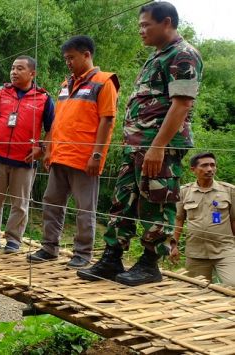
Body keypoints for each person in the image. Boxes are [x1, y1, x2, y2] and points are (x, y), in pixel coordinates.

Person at [78, 1, 203, 286]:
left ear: (167, 22)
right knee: (123, 201)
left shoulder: (183, 55)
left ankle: (149, 263)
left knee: (156, 203)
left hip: (159, 147)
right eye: (140, 26)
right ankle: (112, 257)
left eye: (146, 25)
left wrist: (158, 146)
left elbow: (182, 104)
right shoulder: (157, 55)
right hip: (135, 146)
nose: (141, 31)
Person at [28, 35, 120, 267]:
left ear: (87, 55)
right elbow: (58, 121)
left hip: (84, 158)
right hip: (59, 155)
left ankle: (82, 254)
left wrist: (97, 155)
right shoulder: (65, 84)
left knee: (84, 208)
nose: (68, 62)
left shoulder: (104, 82)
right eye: (66, 58)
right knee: (51, 203)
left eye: (71, 58)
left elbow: (107, 121)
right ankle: (49, 248)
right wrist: (48, 149)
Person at [0, 56, 54, 253]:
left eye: (20, 69)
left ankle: (13, 239)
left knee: (20, 203)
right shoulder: (1, 93)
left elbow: (52, 127)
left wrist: (42, 148)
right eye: (12, 68)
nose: (14, 72)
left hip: (25, 160)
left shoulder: (43, 98)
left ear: (32, 73)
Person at [170, 153, 235, 286]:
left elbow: (234, 220)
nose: (210, 169)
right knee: (195, 290)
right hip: (195, 253)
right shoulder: (184, 192)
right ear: (193, 169)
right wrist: (173, 245)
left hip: (225, 251)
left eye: (212, 165)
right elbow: (178, 220)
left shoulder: (229, 191)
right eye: (204, 165)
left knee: (232, 285)